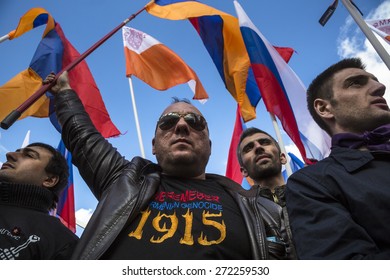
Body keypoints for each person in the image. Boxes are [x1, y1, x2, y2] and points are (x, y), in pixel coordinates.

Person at [46, 71, 291, 259]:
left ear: (209, 145)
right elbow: (83, 138)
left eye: (195, 121)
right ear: (154, 145)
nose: (182, 126)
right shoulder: (123, 182)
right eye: (169, 121)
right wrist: (65, 91)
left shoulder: (257, 207)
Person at [285, 57, 390, 259]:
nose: (380, 87)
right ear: (324, 108)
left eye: (375, 80)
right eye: (356, 83)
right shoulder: (311, 183)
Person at [0, 142, 79, 259]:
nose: (10, 154)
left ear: (50, 180)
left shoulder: (62, 241)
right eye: (17, 151)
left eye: (29, 155)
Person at [236, 127, 296, 259]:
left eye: (264, 142)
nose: (258, 147)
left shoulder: (314, 194)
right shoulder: (239, 214)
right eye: (248, 148)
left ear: (282, 157)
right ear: (244, 171)